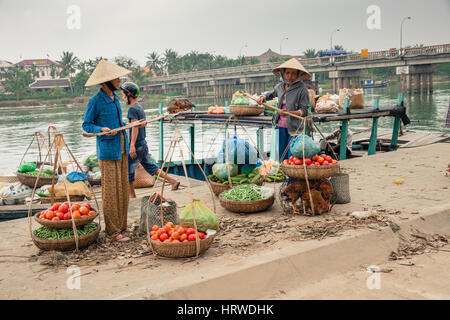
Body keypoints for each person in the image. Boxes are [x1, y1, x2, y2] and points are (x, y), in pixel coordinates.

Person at [82, 60, 133, 242]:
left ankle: (122, 224)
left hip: (122, 149)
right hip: (108, 151)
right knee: (111, 192)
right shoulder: (96, 101)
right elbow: (87, 125)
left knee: (122, 188)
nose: (119, 81)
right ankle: (113, 231)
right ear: (106, 82)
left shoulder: (115, 99)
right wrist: (101, 129)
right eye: (116, 79)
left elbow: (118, 122)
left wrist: (127, 124)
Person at [119, 82, 180, 198]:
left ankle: (132, 196)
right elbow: (137, 124)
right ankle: (173, 181)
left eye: (123, 95)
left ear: (128, 95)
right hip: (143, 144)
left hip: (136, 146)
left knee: (129, 171)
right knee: (152, 168)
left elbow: (135, 127)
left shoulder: (132, 109)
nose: (122, 97)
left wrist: (131, 145)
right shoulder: (139, 107)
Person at [256, 58, 311, 162]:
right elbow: (270, 94)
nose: (290, 76)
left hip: (294, 128)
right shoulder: (280, 87)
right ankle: (283, 175)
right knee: (280, 155)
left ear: (298, 75)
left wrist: (289, 113)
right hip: (280, 126)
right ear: (283, 73)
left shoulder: (302, 89)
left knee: (292, 155)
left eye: (293, 73)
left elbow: (304, 111)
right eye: (287, 73)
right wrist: (262, 97)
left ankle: (292, 177)